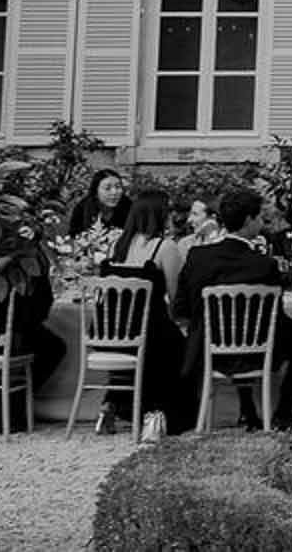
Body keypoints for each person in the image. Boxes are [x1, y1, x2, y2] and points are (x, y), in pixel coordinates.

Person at [174, 186, 292, 431]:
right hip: (255, 353)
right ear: (250, 220)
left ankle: (248, 410)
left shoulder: (197, 256)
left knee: (242, 331)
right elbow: (277, 319)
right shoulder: (264, 265)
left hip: (207, 350)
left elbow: (181, 308)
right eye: (261, 218)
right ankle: (283, 411)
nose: (263, 224)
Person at [98, 187, 195, 436]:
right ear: (161, 215)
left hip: (112, 332)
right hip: (150, 332)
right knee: (187, 349)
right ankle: (159, 414)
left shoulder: (116, 246)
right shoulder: (164, 248)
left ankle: (112, 403)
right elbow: (177, 299)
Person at [67, 168, 130, 238]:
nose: (114, 192)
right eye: (107, 188)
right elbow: (73, 237)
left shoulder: (128, 206)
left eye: (118, 187)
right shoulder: (82, 208)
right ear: (96, 192)